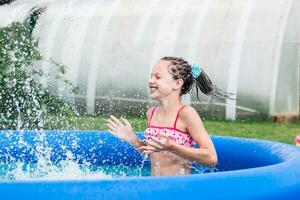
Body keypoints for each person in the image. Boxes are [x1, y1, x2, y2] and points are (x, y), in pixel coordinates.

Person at [107, 56, 232, 176]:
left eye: (158, 77)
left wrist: (172, 147)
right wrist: (133, 139)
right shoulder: (151, 113)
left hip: (178, 189)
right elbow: (155, 154)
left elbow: (211, 158)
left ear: (177, 84)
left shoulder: (186, 114)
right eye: (151, 76)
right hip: (155, 186)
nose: (151, 81)